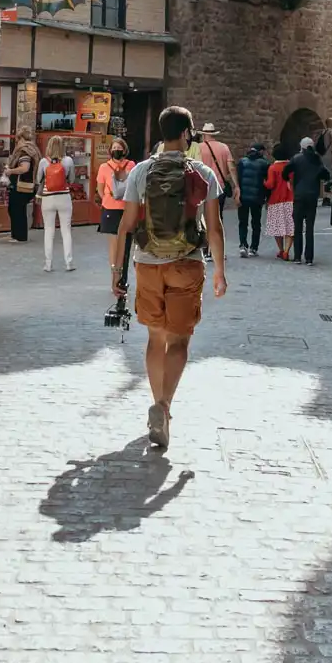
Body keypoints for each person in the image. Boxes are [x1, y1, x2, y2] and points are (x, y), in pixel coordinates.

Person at [113, 105, 226, 453]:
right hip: (186, 263)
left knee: (154, 339)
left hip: (147, 264)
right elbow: (216, 227)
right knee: (179, 342)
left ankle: (156, 402)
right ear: (187, 134)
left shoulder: (141, 171)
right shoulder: (203, 173)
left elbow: (127, 224)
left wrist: (116, 272)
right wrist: (220, 269)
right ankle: (164, 407)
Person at [285, 136, 332, 265]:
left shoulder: (296, 159)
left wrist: (290, 180)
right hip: (312, 196)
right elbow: (326, 175)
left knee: (298, 227)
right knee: (310, 227)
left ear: (302, 147)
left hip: (299, 195)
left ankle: (297, 256)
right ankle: (309, 258)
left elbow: (285, 171)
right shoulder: (317, 159)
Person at [38, 138, 75, 271]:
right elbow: (71, 179)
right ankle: (69, 263)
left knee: (49, 231)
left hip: (48, 199)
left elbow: (38, 179)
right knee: (66, 230)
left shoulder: (43, 161)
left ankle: (48, 264)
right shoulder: (68, 161)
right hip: (64, 198)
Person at [96, 139, 131, 276]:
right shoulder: (104, 167)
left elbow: (101, 190)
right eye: (114, 147)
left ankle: (121, 272)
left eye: (119, 147)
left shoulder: (130, 165)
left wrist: (109, 195)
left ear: (124, 150)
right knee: (113, 243)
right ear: (110, 151)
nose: (117, 150)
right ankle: (115, 273)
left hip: (125, 208)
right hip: (111, 208)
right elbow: (99, 188)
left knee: (124, 243)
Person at [235, 141, 269, 257]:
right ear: (261, 151)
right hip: (257, 197)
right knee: (256, 223)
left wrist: (237, 194)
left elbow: (238, 180)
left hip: (243, 197)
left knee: (243, 222)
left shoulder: (242, 162)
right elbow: (266, 183)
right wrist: (266, 197)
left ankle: (243, 245)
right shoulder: (264, 163)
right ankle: (254, 248)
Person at [5, 137, 39, 243]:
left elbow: (25, 168)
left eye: (17, 140)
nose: (16, 143)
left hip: (21, 187)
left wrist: (10, 171)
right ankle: (16, 235)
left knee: (17, 210)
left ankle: (20, 236)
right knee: (16, 209)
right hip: (23, 186)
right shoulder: (30, 150)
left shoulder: (25, 153)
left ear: (22, 139)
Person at [199, 124, 237, 219]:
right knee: (218, 215)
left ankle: (205, 233)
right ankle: (218, 232)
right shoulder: (224, 147)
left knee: (203, 216)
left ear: (203, 134)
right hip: (220, 187)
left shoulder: (198, 148)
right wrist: (237, 186)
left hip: (203, 186)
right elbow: (232, 168)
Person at [263, 147, 295, 260]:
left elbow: (271, 184)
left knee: (277, 227)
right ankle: (287, 251)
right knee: (290, 227)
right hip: (291, 199)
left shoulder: (273, 168)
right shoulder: (291, 167)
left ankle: (281, 250)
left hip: (276, 200)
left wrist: (264, 182)